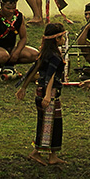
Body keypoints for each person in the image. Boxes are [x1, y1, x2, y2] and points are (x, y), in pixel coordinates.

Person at [16, 22, 68, 165]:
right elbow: (50, 76)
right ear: (56, 40)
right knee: (50, 124)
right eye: (62, 37)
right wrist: (48, 95)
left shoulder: (45, 53)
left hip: (41, 92)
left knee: (48, 123)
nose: (64, 39)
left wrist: (23, 87)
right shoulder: (54, 57)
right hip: (48, 93)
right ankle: (37, 152)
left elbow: (34, 69)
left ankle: (52, 155)